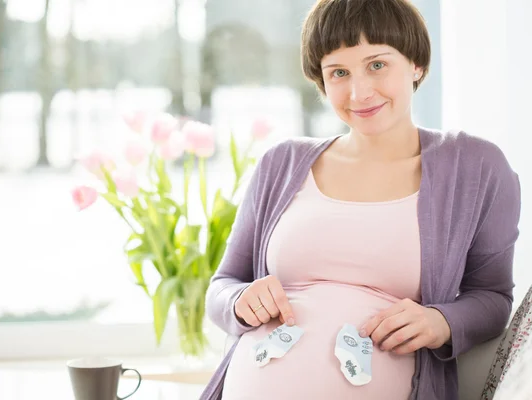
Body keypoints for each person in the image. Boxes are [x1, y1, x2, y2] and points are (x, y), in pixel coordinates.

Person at [200, 0, 522, 399]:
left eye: (377, 65)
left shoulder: (476, 167)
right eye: (339, 72)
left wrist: (441, 321)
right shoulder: (280, 163)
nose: (359, 92)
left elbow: (492, 298)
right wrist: (239, 300)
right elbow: (222, 287)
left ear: (416, 64)